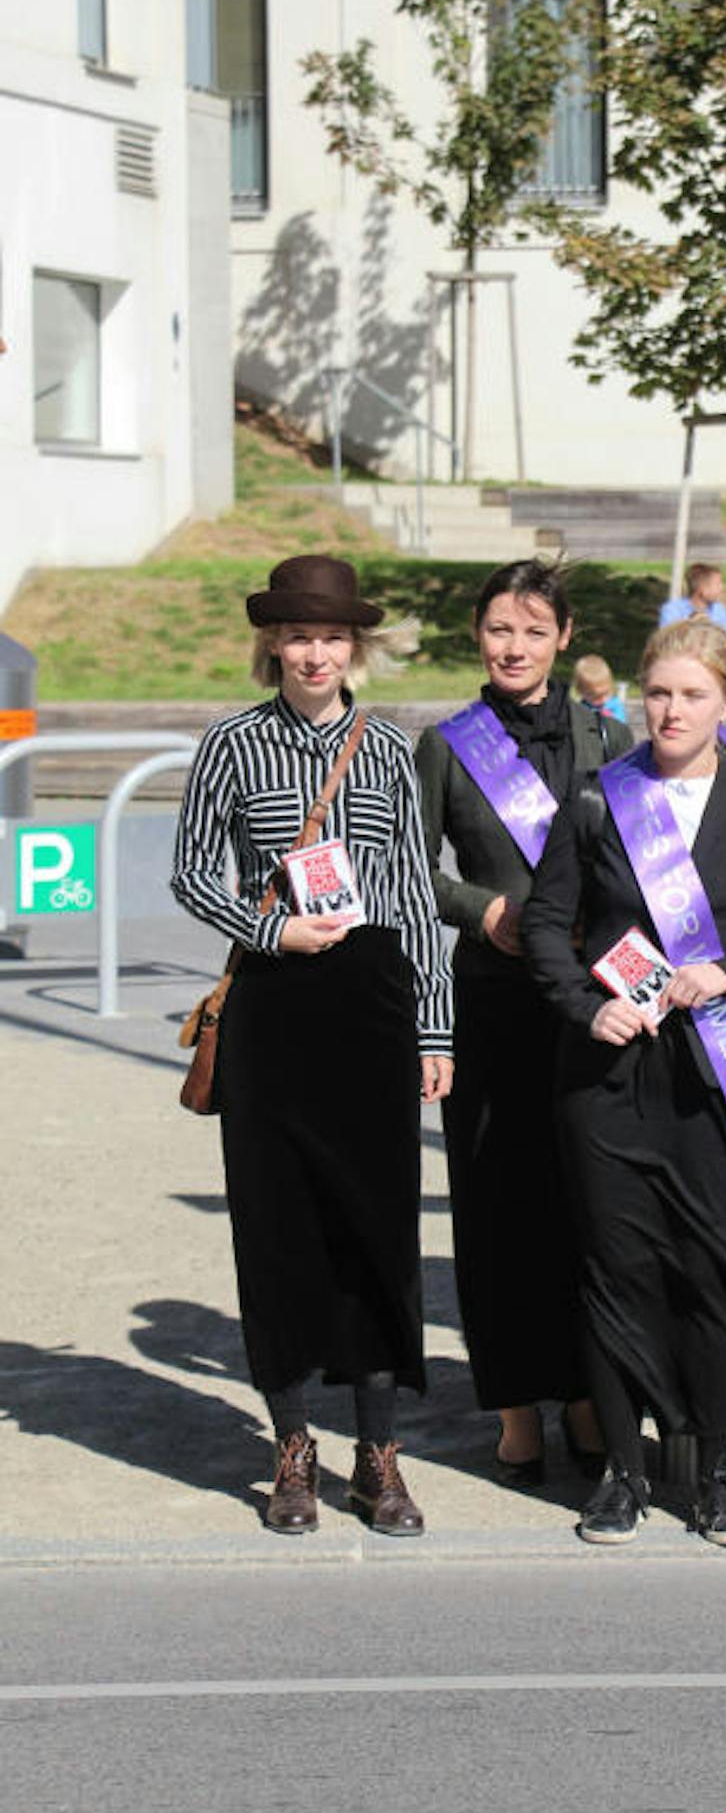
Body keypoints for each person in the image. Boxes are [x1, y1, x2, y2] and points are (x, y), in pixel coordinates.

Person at [521, 617, 726, 1548]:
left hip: (721, 1072)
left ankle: (720, 1471)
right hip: (609, 1075)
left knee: (717, 1271)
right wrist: (586, 1006)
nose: (671, 710)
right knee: (618, 1271)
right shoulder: (595, 798)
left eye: (694, 694)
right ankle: (623, 1469)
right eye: (658, 692)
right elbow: (545, 927)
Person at [170, 554, 452, 1537]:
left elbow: (414, 890)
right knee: (277, 1227)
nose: (315, 652)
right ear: (271, 645)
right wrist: (271, 931)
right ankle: (291, 1443)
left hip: (371, 1001)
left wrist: (433, 1025)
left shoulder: (385, 749)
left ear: (356, 647)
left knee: (377, 1230)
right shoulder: (232, 743)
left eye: (332, 636)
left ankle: (380, 1452)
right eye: (297, 635)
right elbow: (192, 871)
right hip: (275, 1006)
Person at [415, 561, 630, 1488]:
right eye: (501, 629)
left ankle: (587, 1390)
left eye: (534, 631)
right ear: (478, 634)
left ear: (564, 639)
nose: (515, 646)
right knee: (497, 1205)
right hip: (493, 1001)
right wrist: (483, 909)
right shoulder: (445, 744)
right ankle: (512, 1404)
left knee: (586, 1202)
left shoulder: (610, 732)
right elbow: (408, 870)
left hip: (589, 1001)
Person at [658, 561, 726, 641]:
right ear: (702, 589)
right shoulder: (672, 610)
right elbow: (667, 641)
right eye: (717, 584)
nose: (722, 588)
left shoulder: (719, 609)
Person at [569, 652, 628, 728]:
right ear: (581, 692)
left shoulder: (614, 705)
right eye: (596, 697)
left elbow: (621, 725)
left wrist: (610, 719)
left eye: (606, 693)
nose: (602, 700)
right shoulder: (582, 708)